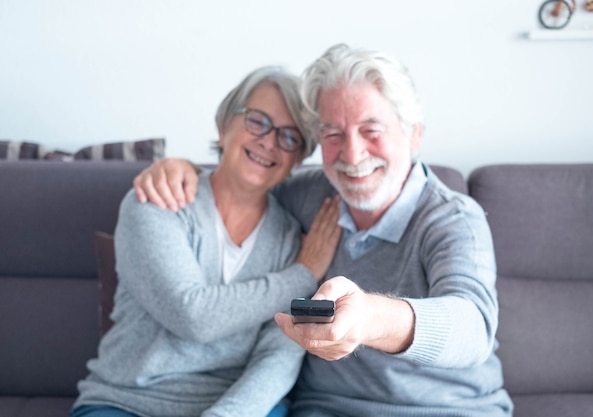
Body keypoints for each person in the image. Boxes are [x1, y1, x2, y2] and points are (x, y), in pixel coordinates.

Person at [133, 44, 514, 417]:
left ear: (413, 133)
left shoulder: (451, 218)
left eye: (370, 130)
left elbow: (472, 325)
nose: (351, 154)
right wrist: (178, 169)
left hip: (447, 409)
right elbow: (244, 182)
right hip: (327, 408)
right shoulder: (311, 195)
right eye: (333, 134)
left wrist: (368, 318)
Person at [70, 66, 342, 417]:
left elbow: (280, 352)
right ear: (224, 125)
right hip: (127, 402)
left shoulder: (293, 239)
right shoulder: (159, 201)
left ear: (298, 159)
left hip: (235, 406)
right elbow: (193, 316)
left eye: (289, 137)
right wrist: (303, 275)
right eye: (257, 121)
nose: (269, 141)